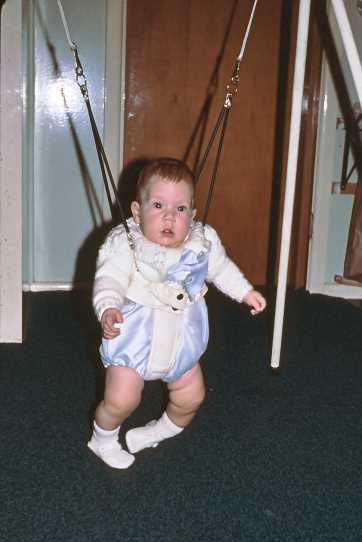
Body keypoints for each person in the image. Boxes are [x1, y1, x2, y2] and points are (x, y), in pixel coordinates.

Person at [88, 158, 267, 469]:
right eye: (158, 205)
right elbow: (109, 280)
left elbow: (222, 269)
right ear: (137, 212)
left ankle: (156, 432)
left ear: (193, 215)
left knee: (191, 399)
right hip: (135, 340)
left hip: (181, 343)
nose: (169, 216)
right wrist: (108, 307)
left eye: (180, 208)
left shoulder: (201, 243)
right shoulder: (126, 244)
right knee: (121, 400)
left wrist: (245, 291)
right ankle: (102, 439)